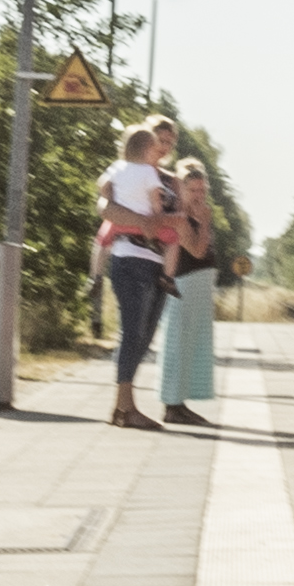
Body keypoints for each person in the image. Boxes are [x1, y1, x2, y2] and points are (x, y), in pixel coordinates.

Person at [95, 117, 181, 430]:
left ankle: (125, 406)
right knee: (132, 333)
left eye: (170, 141)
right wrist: (145, 222)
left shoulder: (170, 180)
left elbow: (180, 219)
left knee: (143, 336)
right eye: (160, 139)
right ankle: (123, 407)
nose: (165, 146)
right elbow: (105, 208)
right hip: (130, 257)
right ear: (145, 142)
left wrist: (162, 224)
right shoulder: (129, 170)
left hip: (157, 264)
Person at [157, 157, 225, 418]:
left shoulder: (197, 213)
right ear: (181, 189)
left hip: (200, 284)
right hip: (184, 283)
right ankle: (172, 405)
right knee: (178, 343)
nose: (198, 195)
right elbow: (196, 251)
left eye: (202, 190)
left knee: (192, 346)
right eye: (192, 190)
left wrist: (204, 220)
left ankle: (180, 403)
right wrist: (205, 222)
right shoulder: (180, 216)